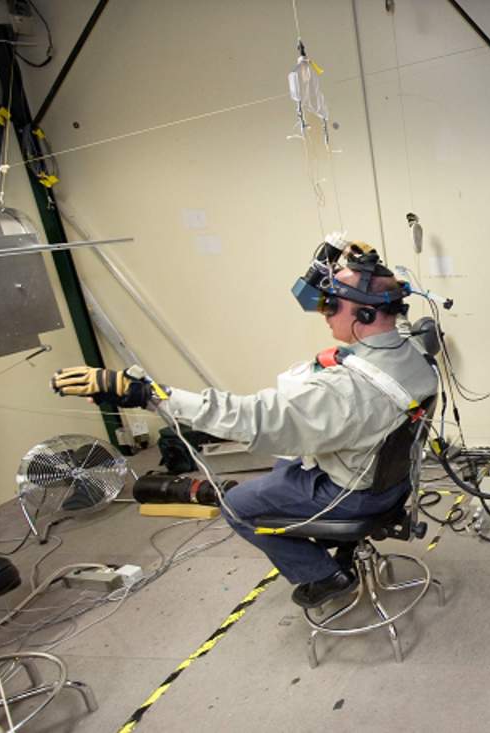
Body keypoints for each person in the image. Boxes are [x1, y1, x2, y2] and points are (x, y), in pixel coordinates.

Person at [51, 242, 438, 608]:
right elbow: (392, 328)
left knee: (236, 505)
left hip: (354, 495)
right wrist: (368, 273)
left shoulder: (341, 390)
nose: (324, 312)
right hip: (393, 481)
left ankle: (325, 576)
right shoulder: (416, 351)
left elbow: (249, 417)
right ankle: (338, 545)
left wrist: (149, 395)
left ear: (365, 314)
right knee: (287, 462)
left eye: (332, 304)